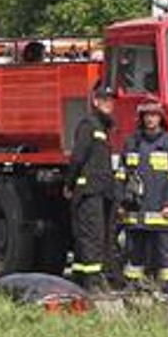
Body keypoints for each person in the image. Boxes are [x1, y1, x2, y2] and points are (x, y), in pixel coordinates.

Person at [119, 99, 168, 299]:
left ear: (161, 118)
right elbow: (122, 176)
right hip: (135, 212)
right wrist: (121, 203)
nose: (150, 119)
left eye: (154, 115)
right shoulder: (132, 142)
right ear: (141, 118)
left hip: (160, 211)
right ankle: (134, 287)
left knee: (167, 253)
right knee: (134, 253)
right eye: (147, 115)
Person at [65, 82, 117, 290]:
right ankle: (91, 282)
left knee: (96, 237)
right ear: (95, 101)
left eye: (110, 101)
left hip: (101, 192)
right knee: (91, 237)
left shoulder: (103, 127)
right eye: (104, 100)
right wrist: (69, 183)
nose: (108, 104)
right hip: (88, 192)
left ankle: (81, 278)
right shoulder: (89, 125)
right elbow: (77, 158)